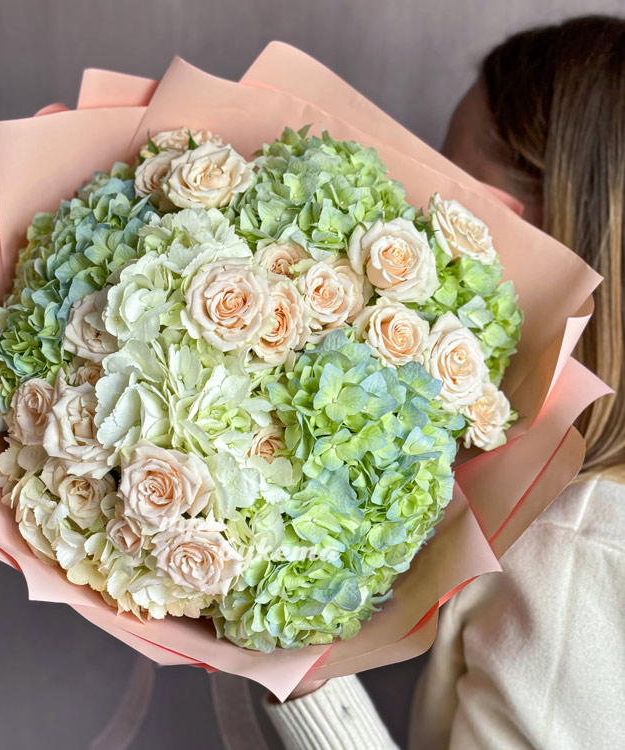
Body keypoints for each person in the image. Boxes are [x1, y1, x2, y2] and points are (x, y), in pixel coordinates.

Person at [264, 15, 625, 750]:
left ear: (555, 225)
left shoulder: (574, 547)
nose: (418, 217)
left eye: (453, 190)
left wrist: (300, 680)